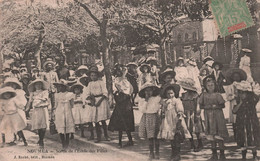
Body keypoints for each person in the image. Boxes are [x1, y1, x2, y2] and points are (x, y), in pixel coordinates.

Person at [158, 83, 191, 160]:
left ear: (174, 93)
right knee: (171, 138)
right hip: (168, 121)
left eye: (171, 93)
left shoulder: (177, 101)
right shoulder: (165, 101)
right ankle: (173, 153)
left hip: (175, 120)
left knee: (177, 137)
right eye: (168, 93)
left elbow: (180, 111)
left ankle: (177, 154)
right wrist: (162, 111)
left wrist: (179, 120)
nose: (170, 95)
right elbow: (163, 110)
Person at [199, 75, 229, 160]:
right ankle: (214, 154)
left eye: (212, 85)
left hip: (218, 116)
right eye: (208, 85)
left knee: (219, 135)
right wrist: (206, 107)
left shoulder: (217, 95)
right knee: (212, 135)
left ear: (215, 86)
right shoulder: (203, 95)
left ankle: (222, 154)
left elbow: (222, 105)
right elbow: (201, 105)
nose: (210, 87)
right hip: (209, 117)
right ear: (205, 86)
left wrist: (216, 106)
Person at [233, 81, 260, 160]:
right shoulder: (238, 101)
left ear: (247, 93)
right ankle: (243, 156)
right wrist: (240, 103)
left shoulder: (252, 101)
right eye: (240, 93)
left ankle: (254, 155)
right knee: (242, 138)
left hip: (251, 122)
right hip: (241, 123)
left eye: (244, 93)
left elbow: (257, 97)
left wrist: (251, 89)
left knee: (252, 137)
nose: (242, 95)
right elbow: (234, 111)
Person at [108, 65, 135, 148]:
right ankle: (120, 141)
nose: (122, 72)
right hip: (120, 101)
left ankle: (130, 140)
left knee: (127, 121)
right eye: (120, 71)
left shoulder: (127, 80)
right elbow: (117, 89)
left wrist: (128, 96)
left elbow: (130, 90)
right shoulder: (116, 80)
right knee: (120, 122)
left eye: (123, 71)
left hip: (126, 101)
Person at [84, 66, 110, 143]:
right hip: (93, 101)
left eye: (95, 75)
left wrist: (99, 101)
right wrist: (91, 99)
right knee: (95, 120)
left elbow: (105, 93)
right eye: (91, 75)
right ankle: (98, 136)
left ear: (97, 75)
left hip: (101, 101)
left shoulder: (101, 82)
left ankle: (106, 135)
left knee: (102, 120)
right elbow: (87, 93)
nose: (93, 77)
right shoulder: (90, 84)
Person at [179, 78, 203, 152]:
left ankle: (200, 143)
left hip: (193, 113)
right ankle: (192, 143)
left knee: (197, 129)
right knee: (188, 128)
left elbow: (197, 105)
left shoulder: (195, 95)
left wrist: (197, 114)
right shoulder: (183, 95)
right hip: (186, 114)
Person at [138, 83, 161, 160]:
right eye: (146, 91)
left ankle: (157, 152)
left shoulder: (157, 98)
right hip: (147, 117)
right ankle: (151, 153)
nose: (148, 93)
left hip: (155, 117)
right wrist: (146, 101)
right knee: (150, 137)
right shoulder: (142, 100)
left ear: (153, 91)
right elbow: (142, 110)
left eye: (150, 91)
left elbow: (159, 106)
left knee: (156, 136)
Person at [223, 68, 247, 139]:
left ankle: (242, 136)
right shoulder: (230, 87)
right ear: (232, 78)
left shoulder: (243, 85)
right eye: (234, 77)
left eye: (238, 76)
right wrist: (234, 96)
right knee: (234, 120)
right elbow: (227, 97)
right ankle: (236, 136)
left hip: (242, 103)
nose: (236, 78)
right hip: (233, 103)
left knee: (241, 120)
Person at [2, 78, 28, 143]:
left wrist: (21, 106)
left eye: (13, 84)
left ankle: (21, 138)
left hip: (17, 110)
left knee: (18, 126)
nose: (12, 86)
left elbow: (23, 101)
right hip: (8, 111)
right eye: (10, 84)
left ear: (16, 85)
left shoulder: (19, 92)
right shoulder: (6, 92)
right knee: (9, 125)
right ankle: (14, 138)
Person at [25, 78, 49, 148]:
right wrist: (27, 109)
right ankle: (40, 138)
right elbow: (30, 101)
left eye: (39, 84)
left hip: (43, 109)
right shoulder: (33, 93)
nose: (38, 86)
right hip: (36, 110)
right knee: (38, 125)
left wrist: (38, 98)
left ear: (41, 85)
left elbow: (45, 99)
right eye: (36, 84)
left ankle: (41, 140)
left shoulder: (45, 91)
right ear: (34, 86)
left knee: (43, 126)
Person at [53, 80, 75, 149]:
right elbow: (55, 105)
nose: (60, 88)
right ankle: (63, 143)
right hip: (59, 111)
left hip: (67, 111)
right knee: (60, 126)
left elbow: (72, 105)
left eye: (62, 86)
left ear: (65, 87)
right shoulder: (56, 95)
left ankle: (67, 143)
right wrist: (53, 113)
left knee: (67, 126)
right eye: (59, 86)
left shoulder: (70, 94)